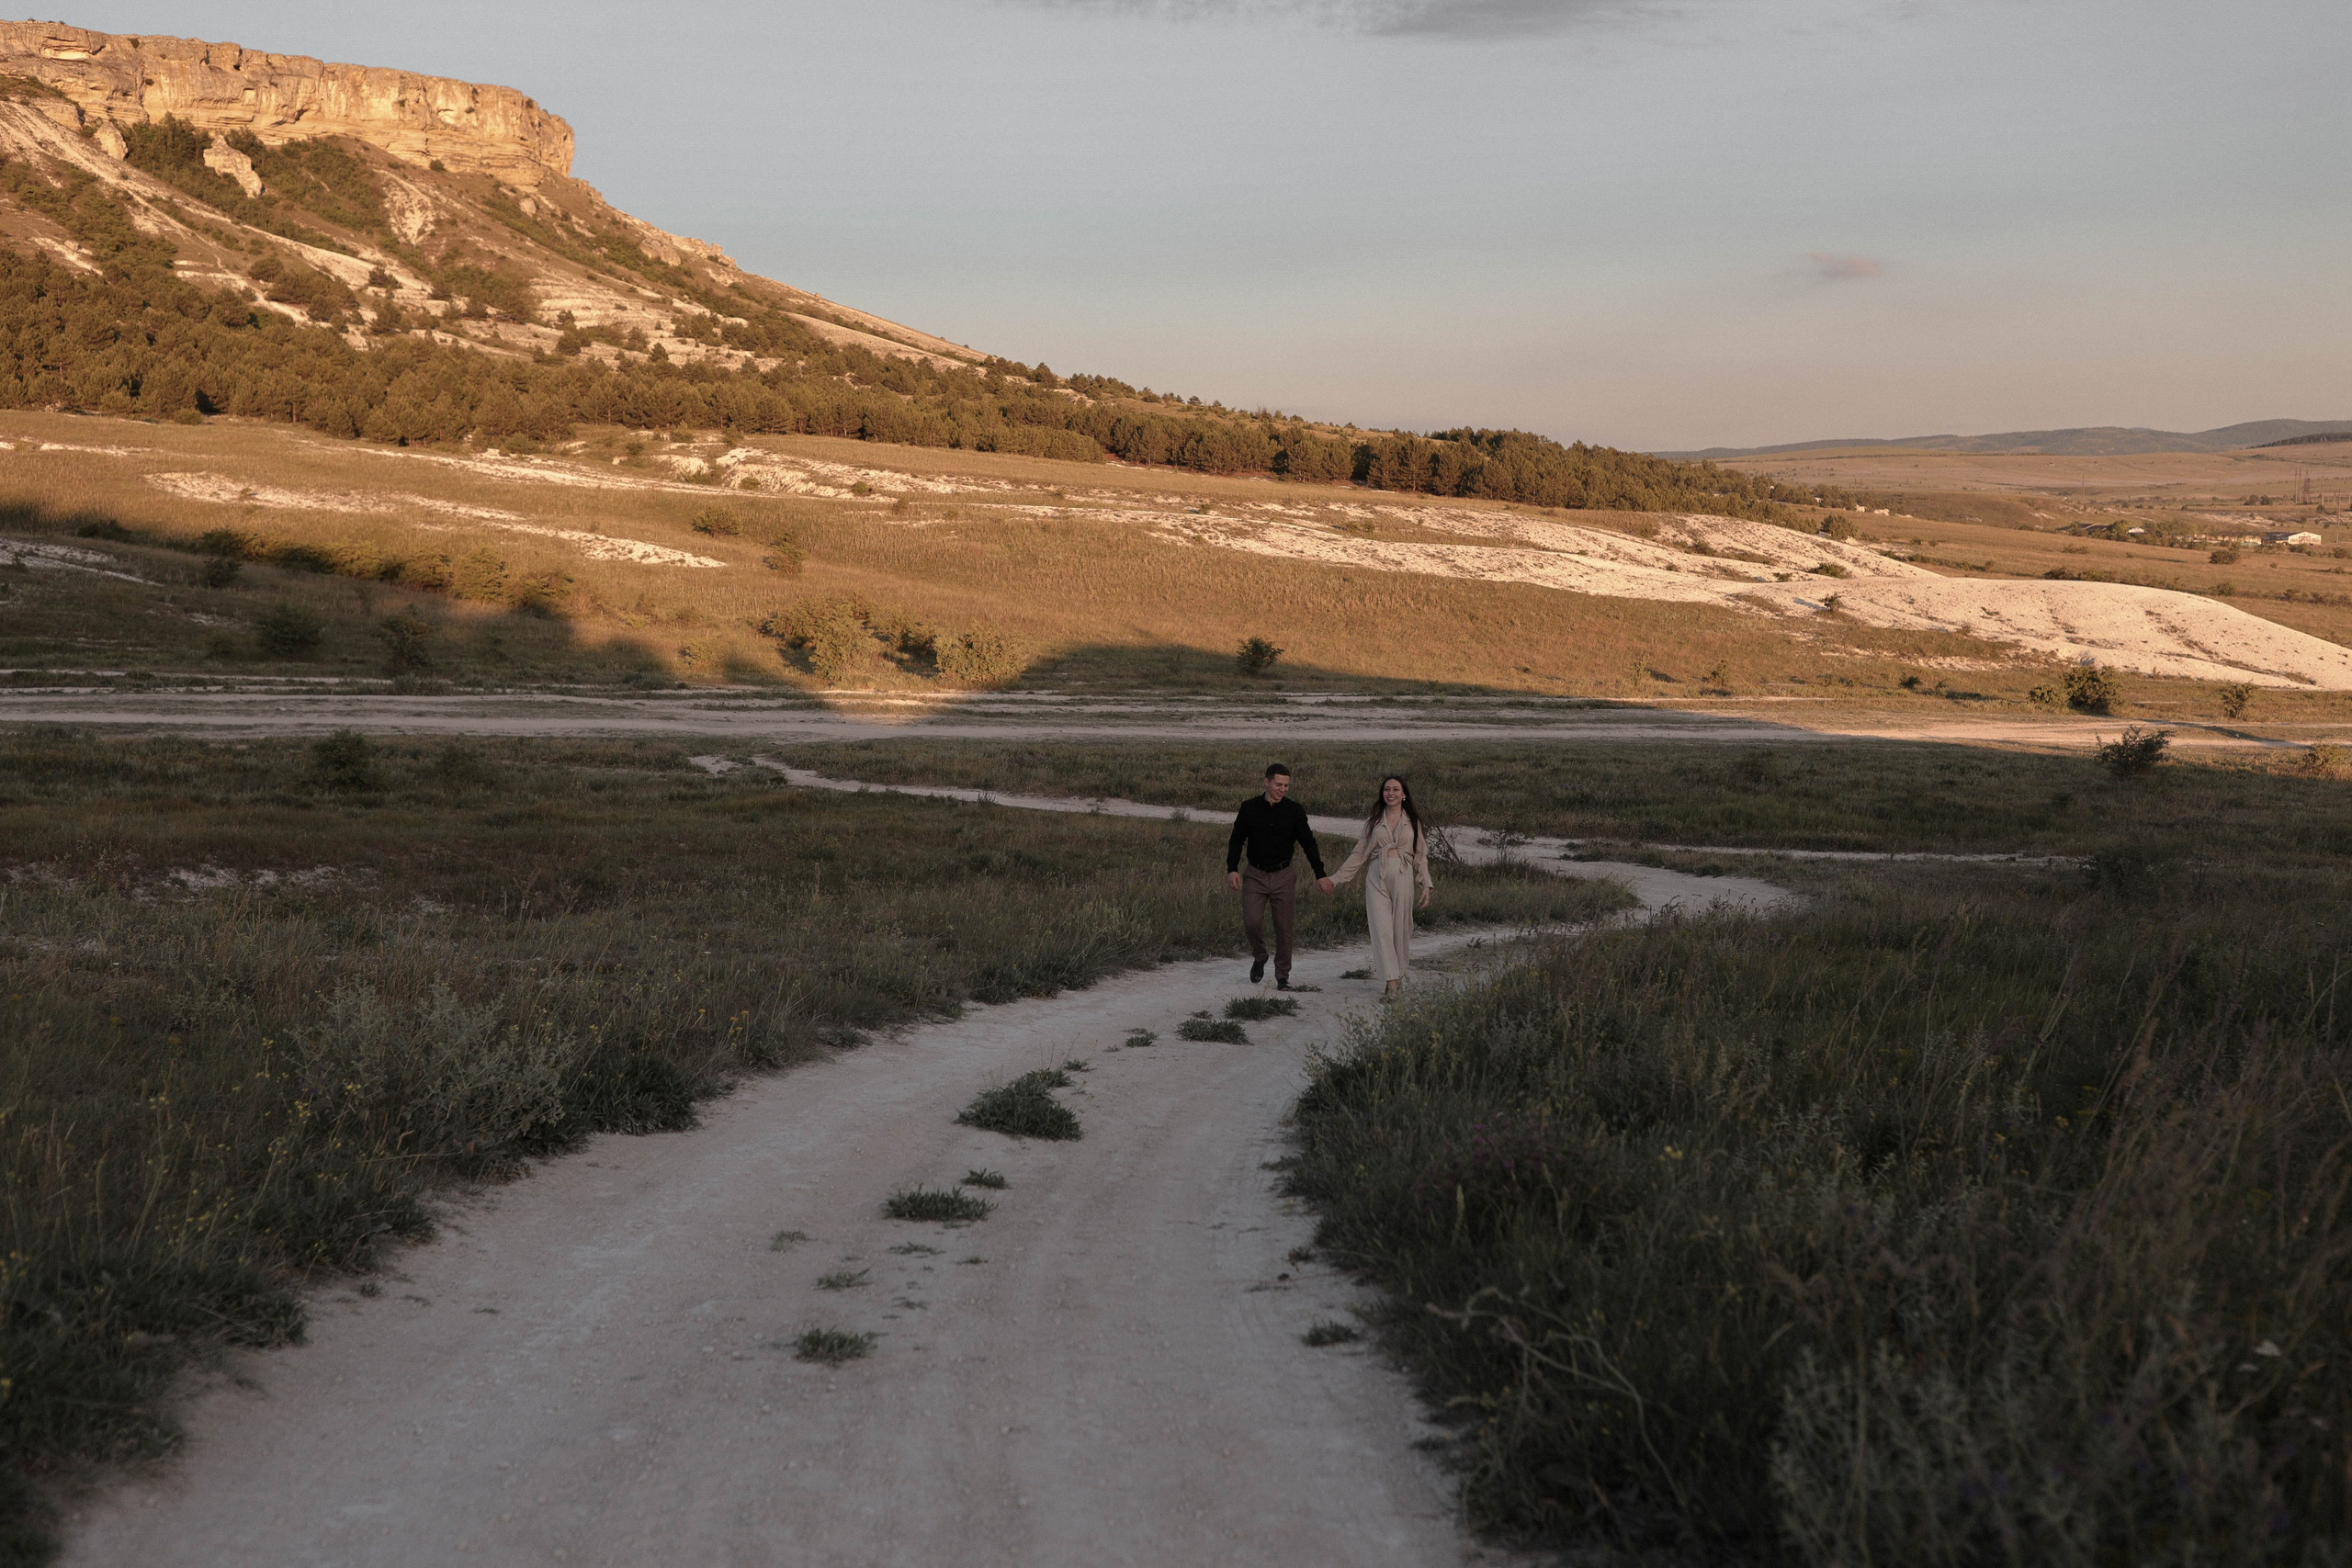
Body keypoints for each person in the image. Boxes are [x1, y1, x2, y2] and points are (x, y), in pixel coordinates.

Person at [1226, 762, 1333, 989]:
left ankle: (1282, 976)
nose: (1282, 789)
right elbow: (1237, 839)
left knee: (1284, 928)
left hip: (1284, 875)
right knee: (1252, 921)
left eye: (1286, 785)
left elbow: (1308, 843)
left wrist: (1320, 874)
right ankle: (1260, 955)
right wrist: (1232, 868)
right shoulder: (1249, 808)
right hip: (1255, 874)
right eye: (1278, 784)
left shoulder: (1295, 811)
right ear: (1266, 782)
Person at [1329, 774, 1433, 1000]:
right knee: (1381, 929)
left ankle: (1397, 976)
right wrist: (1336, 878)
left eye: (1396, 789)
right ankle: (1392, 984)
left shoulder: (1413, 822)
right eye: (1387, 789)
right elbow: (1359, 853)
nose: (1391, 793)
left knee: (1401, 930)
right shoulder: (1374, 822)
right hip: (1377, 876)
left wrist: (1426, 883)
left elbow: (1421, 857)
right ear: (1382, 794)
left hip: (1404, 876)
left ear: (1404, 794)